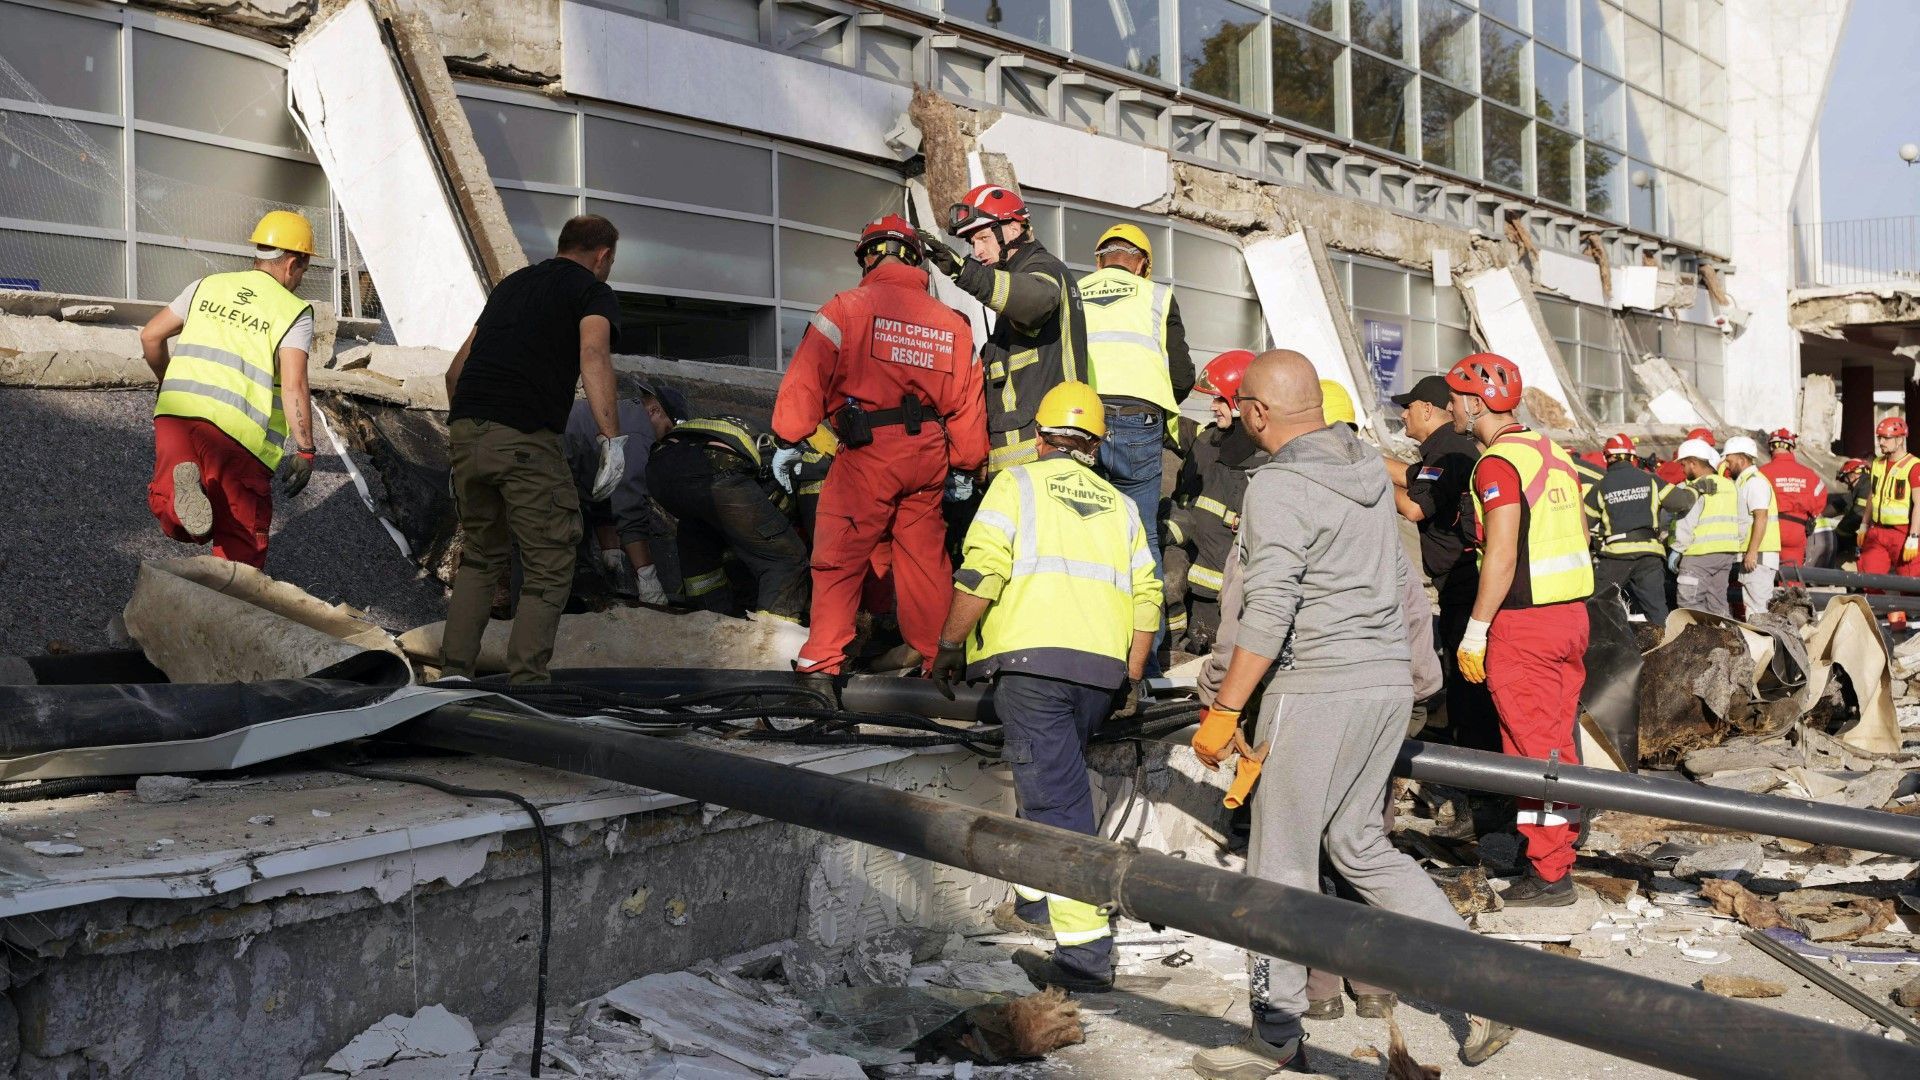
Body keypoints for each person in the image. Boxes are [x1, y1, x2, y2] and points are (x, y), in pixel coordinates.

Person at [1189, 352, 1513, 1076]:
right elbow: (1400, 579)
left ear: (1258, 414)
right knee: (1360, 844)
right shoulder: (1368, 468)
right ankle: (1489, 984)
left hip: (1316, 689)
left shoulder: (1278, 487)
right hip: (1384, 685)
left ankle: (1275, 1033)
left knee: (1279, 862)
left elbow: (1267, 608)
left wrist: (1227, 706)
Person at [928, 381, 1160, 994]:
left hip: (1035, 669)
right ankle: (1036, 902)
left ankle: (1085, 956)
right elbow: (1148, 597)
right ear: (1097, 446)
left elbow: (983, 569)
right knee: (1050, 783)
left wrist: (949, 645)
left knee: (1058, 804)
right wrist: (1133, 675)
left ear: (1039, 438)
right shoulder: (1121, 506)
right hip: (1099, 675)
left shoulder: (1017, 484)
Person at [775, 215, 987, 674]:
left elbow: (805, 383)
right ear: (915, 259)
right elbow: (968, 405)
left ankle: (822, 663)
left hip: (868, 452)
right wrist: (966, 463)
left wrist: (790, 434)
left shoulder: (845, 308)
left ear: (867, 258)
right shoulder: (954, 324)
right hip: (928, 457)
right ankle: (938, 662)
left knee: (839, 554)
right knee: (924, 561)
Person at [439, 214, 627, 684]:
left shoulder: (511, 286)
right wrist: (611, 437)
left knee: (481, 557)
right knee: (549, 563)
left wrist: (466, 440)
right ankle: (527, 686)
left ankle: (453, 676)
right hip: (525, 438)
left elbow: (455, 372)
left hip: (467, 429)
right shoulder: (592, 291)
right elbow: (593, 354)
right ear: (603, 256)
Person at [1449, 353, 1592, 908]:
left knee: (1532, 753)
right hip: (1570, 617)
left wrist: (1475, 630)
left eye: (1456, 399)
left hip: (1524, 624)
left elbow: (1502, 553)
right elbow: (1581, 533)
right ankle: (1558, 848)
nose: (1451, 408)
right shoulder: (1552, 453)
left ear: (1476, 403)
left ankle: (1551, 873)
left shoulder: (1496, 464)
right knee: (1555, 743)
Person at [139, 210, 321, 568]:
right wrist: (306, 450)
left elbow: (150, 336)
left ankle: (181, 499)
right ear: (293, 263)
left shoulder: (205, 285)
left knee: (172, 510)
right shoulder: (293, 311)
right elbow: (294, 385)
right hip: (237, 436)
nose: (301, 280)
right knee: (241, 543)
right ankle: (230, 598)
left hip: (176, 416)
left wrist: (166, 382)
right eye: (304, 270)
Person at [1076, 223, 1193, 663]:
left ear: (1100, 260)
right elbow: (1181, 376)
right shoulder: (1157, 296)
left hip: (1081, 422)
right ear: (1142, 263)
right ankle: (1145, 657)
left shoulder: (1074, 291)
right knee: (1141, 537)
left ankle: (1089, 643)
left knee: (1086, 531)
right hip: (1137, 422)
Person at [920, 184, 1086, 474]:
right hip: (1025, 459)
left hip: (1043, 456)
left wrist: (964, 271)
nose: (978, 250)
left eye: (984, 238)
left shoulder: (1044, 268)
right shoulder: (1016, 276)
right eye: (972, 242)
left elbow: (1035, 301)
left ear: (1013, 228)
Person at [1387, 373, 1497, 759]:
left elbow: (1415, 507)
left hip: (1462, 582)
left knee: (1467, 684)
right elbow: (1412, 477)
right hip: (1460, 580)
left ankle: (1476, 770)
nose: (1403, 415)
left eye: (1408, 408)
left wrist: (1367, 476)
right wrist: (1367, 459)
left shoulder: (1446, 450)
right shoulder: (1446, 449)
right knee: (1462, 676)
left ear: (1427, 409)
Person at [645, 413, 809, 620]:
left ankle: (708, 622)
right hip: (719, 465)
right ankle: (771, 636)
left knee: (701, 539)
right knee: (786, 559)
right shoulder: (803, 460)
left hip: (660, 468)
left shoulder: (767, 432)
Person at [1166, 349, 1263, 654]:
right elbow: (1172, 428)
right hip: (1185, 586)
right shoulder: (1206, 439)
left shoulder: (1266, 461)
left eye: (1220, 399)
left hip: (1226, 600)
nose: (1212, 406)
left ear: (1240, 402)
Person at [564, 388, 679, 604]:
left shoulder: (623, 414)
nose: (664, 439)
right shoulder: (638, 432)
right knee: (548, 555)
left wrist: (611, 553)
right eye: (667, 429)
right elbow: (629, 505)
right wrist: (647, 578)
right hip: (545, 462)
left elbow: (602, 492)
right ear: (654, 411)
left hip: (552, 458)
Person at [1591, 433, 1692, 626]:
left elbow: (1585, 524)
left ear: (1607, 457)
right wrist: (1696, 488)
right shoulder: (1652, 480)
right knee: (1657, 611)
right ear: (1633, 456)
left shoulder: (1600, 486)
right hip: (1649, 555)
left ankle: (1604, 643)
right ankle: (1665, 642)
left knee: (1596, 605)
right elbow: (1682, 502)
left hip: (1615, 556)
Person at [1669, 439, 1740, 617]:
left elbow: (1686, 521)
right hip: (1726, 553)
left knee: (1688, 604)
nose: (1683, 470)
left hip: (1699, 554)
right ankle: (1726, 633)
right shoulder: (1730, 485)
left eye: (1684, 464)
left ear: (1693, 463)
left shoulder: (1696, 488)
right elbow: (1743, 519)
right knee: (1717, 604)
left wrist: (1677, 549)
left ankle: (1700, 635)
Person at [1722, 435, 1781, 615]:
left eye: (1729, 460)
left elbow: (1761, 517)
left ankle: (1764, 635)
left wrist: (1752, 552)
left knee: (1758, 611)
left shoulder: (1755, 482)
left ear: (1742, 459)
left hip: (1758, 556)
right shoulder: (1745, 482)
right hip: (1755, 556)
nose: (1727, 465)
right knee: (1752, 609)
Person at [1859, 416, 1920, 578]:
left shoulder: (1914, 466)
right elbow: (1873, 495)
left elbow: (1919, 504)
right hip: (1878, 531)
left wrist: (1914, 536)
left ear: (1899, 440)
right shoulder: (1877, 464)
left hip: (1903, 532)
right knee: (1868, 577)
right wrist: (1864, 524)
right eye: (1879, 438)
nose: (1881, 442)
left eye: (1886, 438)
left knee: (1909, 582)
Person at [1758, 429, 1826, 569]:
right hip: (1797, 531)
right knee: (1792, 574)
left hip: (1769, 530)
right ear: (1791, 448)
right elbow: (1820, 498)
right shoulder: (1809, 474)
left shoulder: (1762, 473)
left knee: (1765, 575)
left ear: (1771, 447)